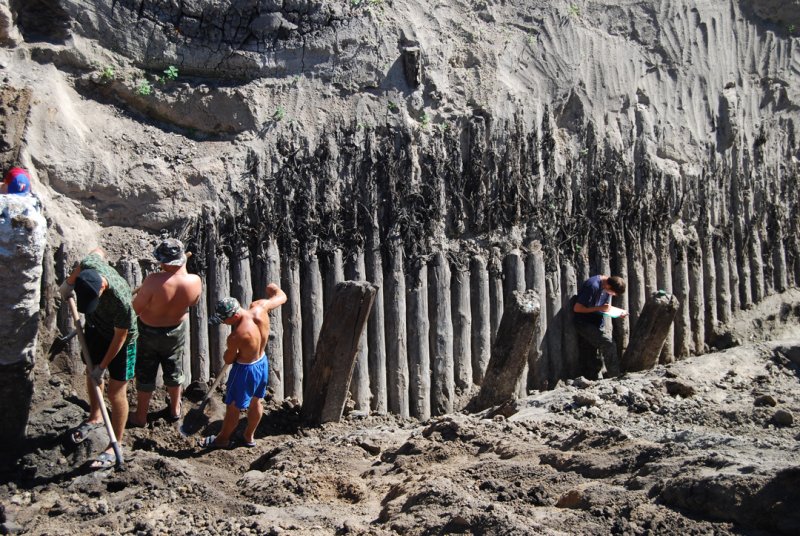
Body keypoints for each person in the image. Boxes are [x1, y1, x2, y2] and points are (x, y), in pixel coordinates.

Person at [60, 248, 137, 469]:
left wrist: (103, 367)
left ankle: (116, 444)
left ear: (102, 287)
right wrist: (69, 282)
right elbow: (97, 252)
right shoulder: (90, 265)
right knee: (90, 372)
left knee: (116, 392)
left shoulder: (120, 300)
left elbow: (120, 337)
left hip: (122, 340)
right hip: (97, 329)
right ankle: (95, 416)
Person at [201, 283, 287, 449]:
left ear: (232, 317)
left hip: (245, 370)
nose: (224, 323)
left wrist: (232, 353)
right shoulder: (260, 306)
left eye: (224, 320)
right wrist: (272, 288)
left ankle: (222, 440)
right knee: (256, 402)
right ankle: (249, 436)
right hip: (261, 362)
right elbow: (281, 296)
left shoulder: (236, 336)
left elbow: (229, 358)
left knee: (233, 408)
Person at [129, 238, 201, 426]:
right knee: (174, 370)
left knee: (146, 372)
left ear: (163, 262)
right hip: (175, 332)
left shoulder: (152, 281)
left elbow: (135, 309)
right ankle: (175, 409)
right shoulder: (194, 281)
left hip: (148, 332)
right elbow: (193, 302)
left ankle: (141, 416)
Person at [572, 275, 627, 379]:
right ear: (608, 285)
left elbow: (603, 306)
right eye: (612, 293)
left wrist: (617, 312)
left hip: (596, 322)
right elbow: (577, 308)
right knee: (609, 344)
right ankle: (615, 376)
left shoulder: (606, 285)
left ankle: (593, 376)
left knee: (593, 351)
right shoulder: (592, 286)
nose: (612, 295)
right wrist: (600, 308)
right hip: (584, 323)